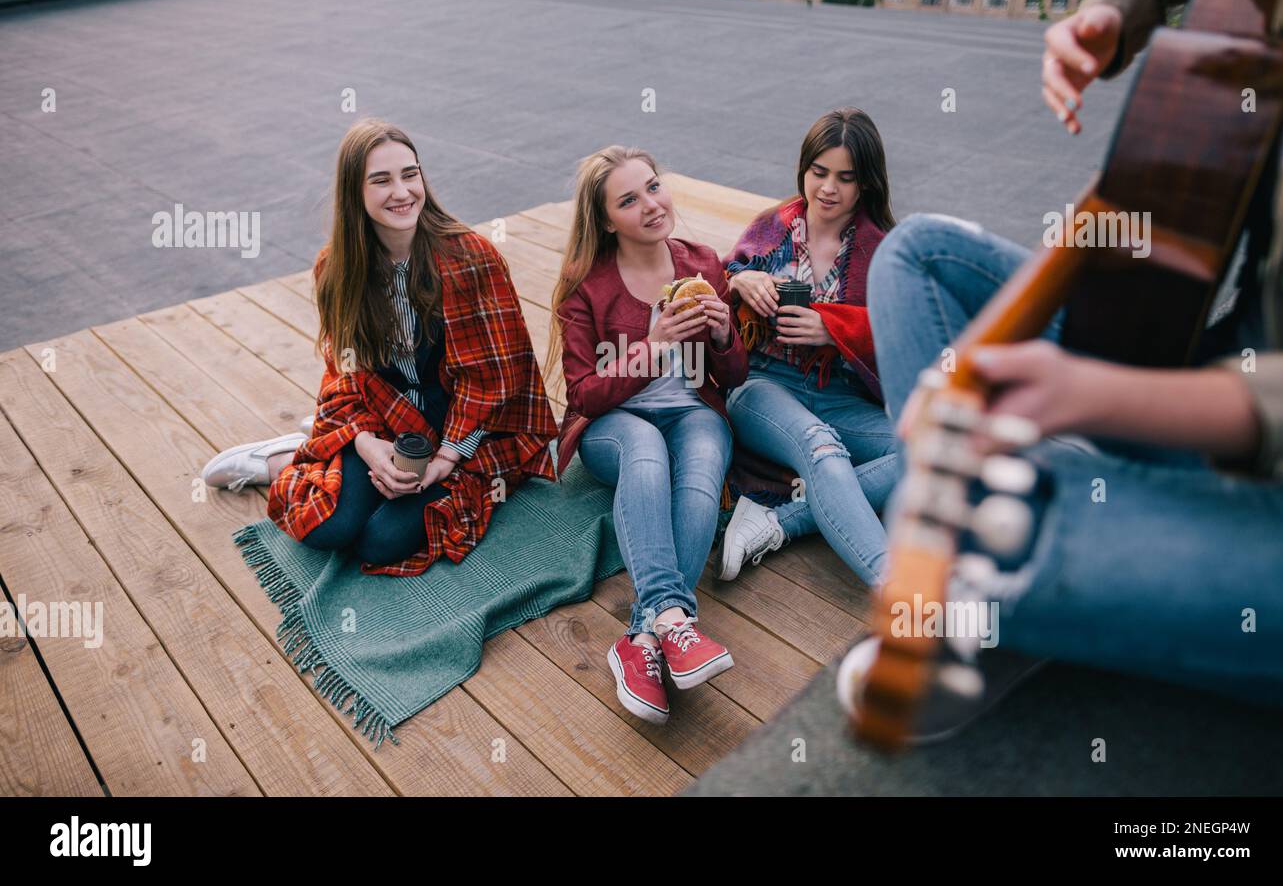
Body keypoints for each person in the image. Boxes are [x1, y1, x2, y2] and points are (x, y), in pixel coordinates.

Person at [839, 0, 1283, 736]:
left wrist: (1107, 399)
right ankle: (1011, 543)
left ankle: (989, 568)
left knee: (992, 542)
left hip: (1275, 465)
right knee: (919, 256)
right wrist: (1114, 11)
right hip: (1222, 353)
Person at [202, 118, 557, 575]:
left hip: (466, 425)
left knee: (381, 541)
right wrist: (366, 444)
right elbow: (345, 371)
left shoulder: (471, 257)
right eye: (382, 180)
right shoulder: (336, 268)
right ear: (356, 192)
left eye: (410, 174)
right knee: (327, 529)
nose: (402, 192)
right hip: (385, 414)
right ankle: (283, 458)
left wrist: (446, 459)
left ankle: (322, 445)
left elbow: (496, 379)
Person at [549, 146, 747, 724]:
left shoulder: (704, 265)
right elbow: (583, 394)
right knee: (645, 450)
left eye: (654, 187)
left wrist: (723, 335)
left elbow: (731, 378)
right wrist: (655, 346)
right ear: (606, 219)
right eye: (629, 200)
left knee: (705, 458)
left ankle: (647, 634)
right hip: (612, 424)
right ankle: (672, 622)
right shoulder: (584, 286)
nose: (651, 205)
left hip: (692, 410)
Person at [718, 108, 902, 586]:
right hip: (761, 387)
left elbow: (906, 332)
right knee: (824, 452)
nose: (828, 188)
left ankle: (778, 520)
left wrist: (835, 329)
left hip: (839, 394)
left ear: (866, 184)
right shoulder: (770, 228)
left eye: (846, 177)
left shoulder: (880, 250)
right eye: (818, 172)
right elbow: (708, 281)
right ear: (803, 168)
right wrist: (741, 281)